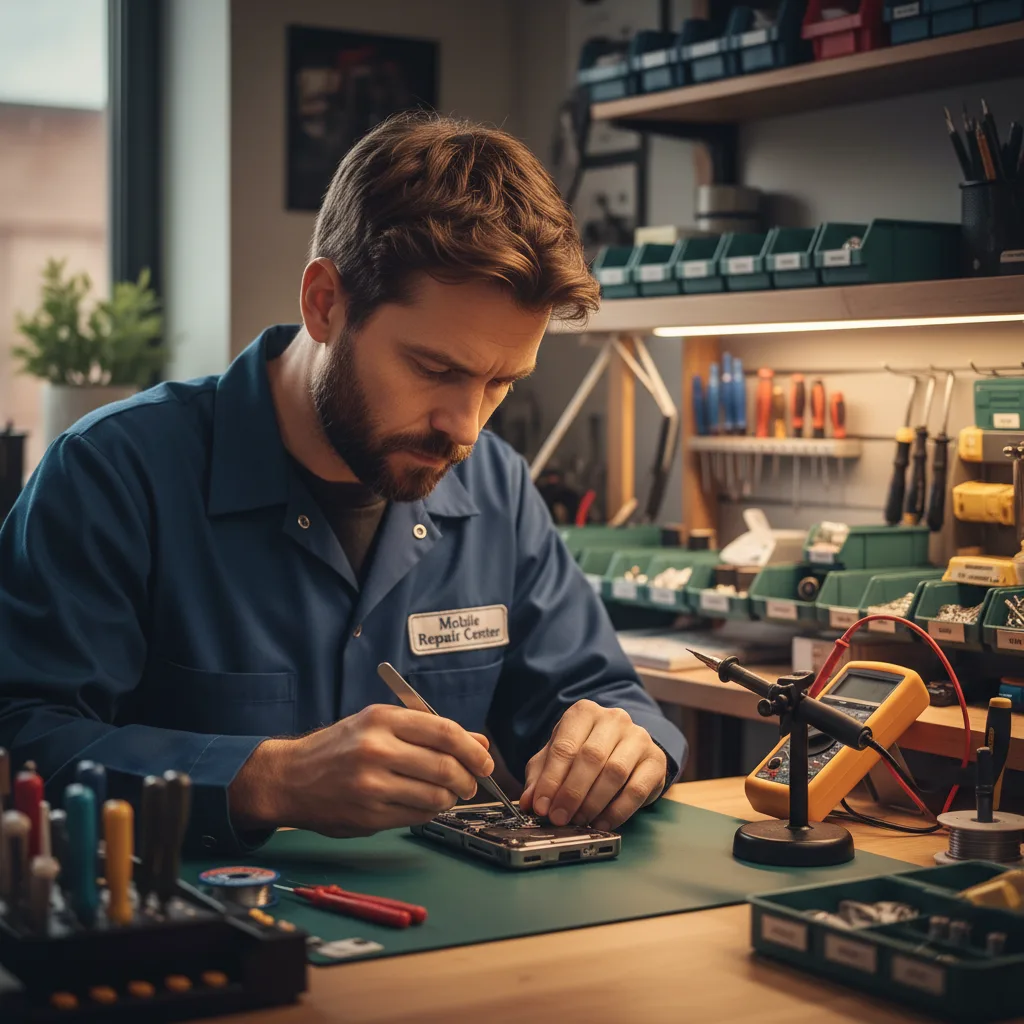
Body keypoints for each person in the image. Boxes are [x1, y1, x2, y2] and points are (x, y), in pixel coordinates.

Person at [0, 114, 686, 853]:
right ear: (325, 302)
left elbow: (607, 697)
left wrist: (625, 744)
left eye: (500, 383)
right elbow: (20, 736)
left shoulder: (497, 487)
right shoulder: (113, 474)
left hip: (459, 948)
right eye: (435, 369)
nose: (466, 426)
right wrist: (267, 779)